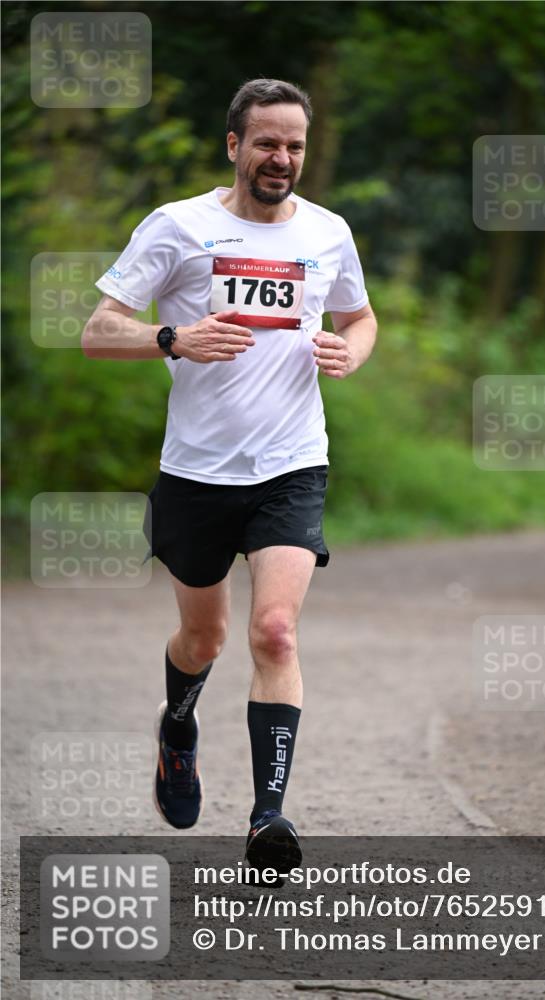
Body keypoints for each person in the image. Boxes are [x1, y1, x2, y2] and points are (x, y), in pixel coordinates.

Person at [82, 79, 377, 870]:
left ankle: (267, 818)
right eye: (267, 143)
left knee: (274, 630)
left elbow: (358, 314)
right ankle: (178, 726)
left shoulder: (327, 232)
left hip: (291, 463)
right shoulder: (178, 226)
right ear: (233, 145)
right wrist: (171, 338)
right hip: (196, 472)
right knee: (204, 636)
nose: (282, 158)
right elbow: (97, 331)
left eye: (295, 145)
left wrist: (354, 350)